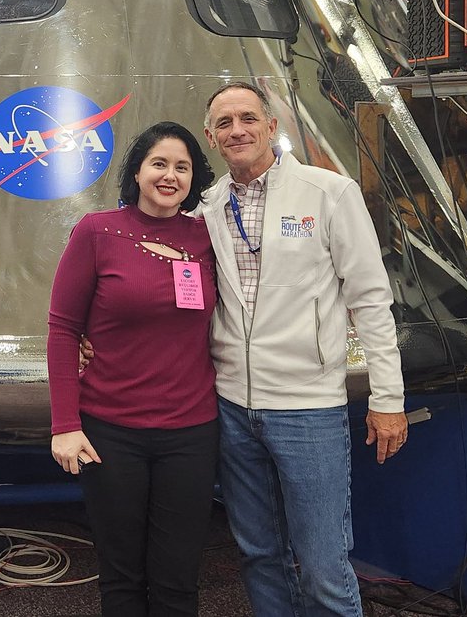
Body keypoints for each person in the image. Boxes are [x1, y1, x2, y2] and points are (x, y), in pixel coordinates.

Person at [83, 82, 407, 617]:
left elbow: (371, 300)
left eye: (248, 118)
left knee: (324, 561)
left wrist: (388, 397)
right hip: (230, 407)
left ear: (271, 125)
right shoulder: (204, 209)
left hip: (308, 407)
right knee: (259, 555)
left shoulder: (328, 193)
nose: (238, 130)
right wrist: (92, 341)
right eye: (225, 123)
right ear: (211, 137)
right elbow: (154, 289)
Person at [47, 121, 219, 617]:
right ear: (138, 172)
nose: (170, 176)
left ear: (194, 178)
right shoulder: (98, 231)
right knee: (122, 577)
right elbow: (62, 329)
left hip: (191, 432)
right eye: (159, 164)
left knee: (179, 579)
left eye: (182, 167)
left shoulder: (207, 238)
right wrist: (65, 424)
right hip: (110, 432)